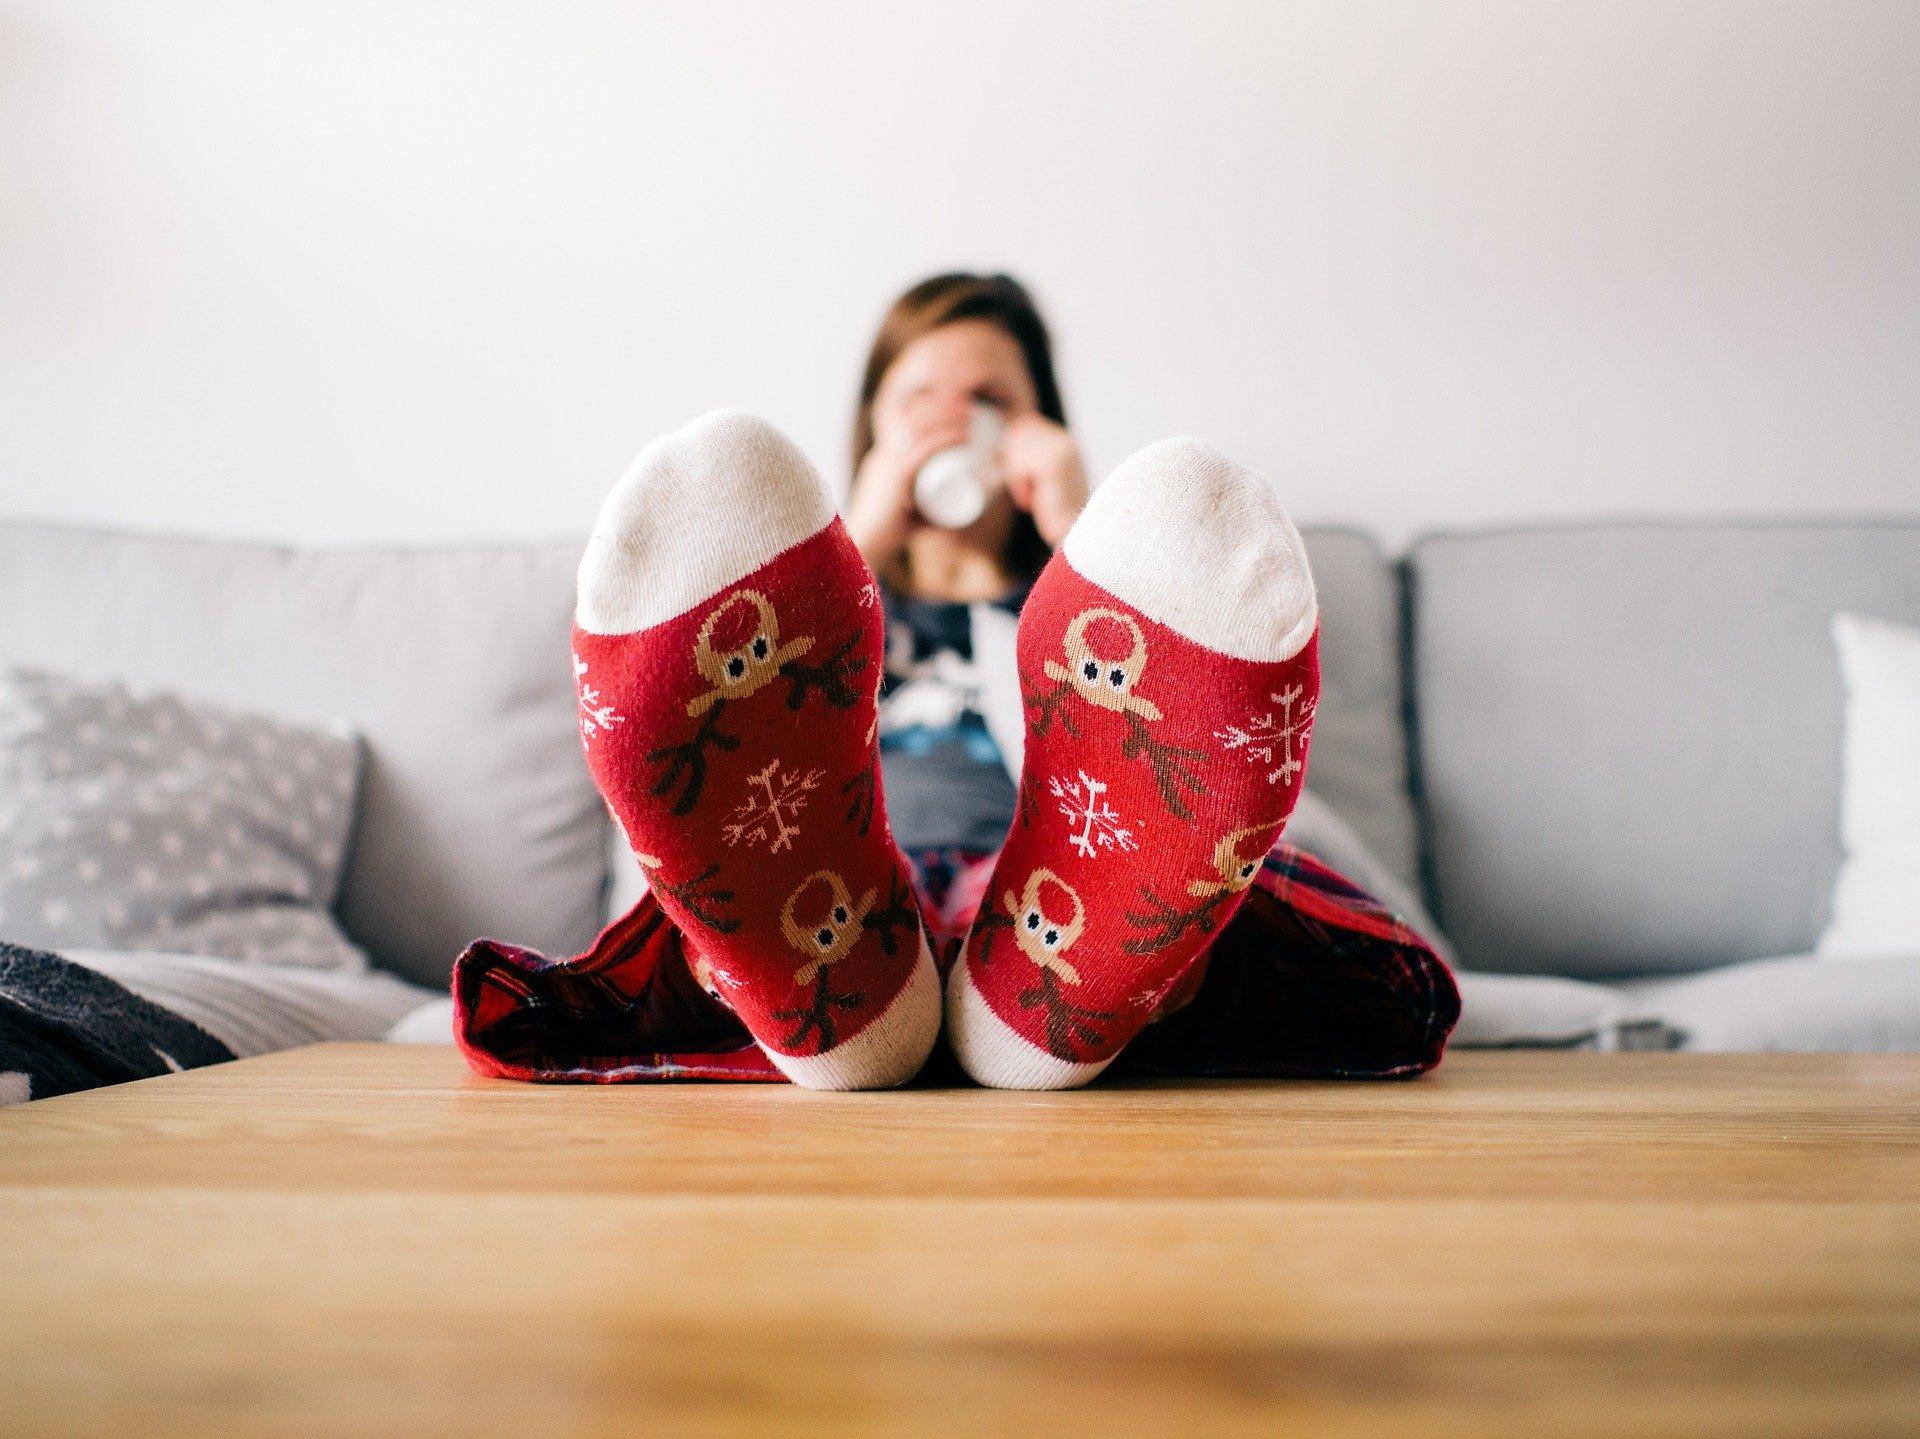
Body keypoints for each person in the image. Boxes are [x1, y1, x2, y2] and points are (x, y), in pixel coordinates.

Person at [451, 273, 1458, 1091]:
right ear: (871, 436)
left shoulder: (1102, 613)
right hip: (830, 880)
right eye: (920, 403)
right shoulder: (809, 607)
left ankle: (1021, 994)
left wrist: (1082, 530)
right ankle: (878, 997)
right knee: (744, 902)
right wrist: (859, 541)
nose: (955, 425)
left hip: (1058, 879)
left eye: (992, 403)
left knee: (1182, 896)